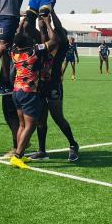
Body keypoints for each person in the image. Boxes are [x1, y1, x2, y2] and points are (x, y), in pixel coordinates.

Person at [8, 15, 58, 170]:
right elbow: (54, 41)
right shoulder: (34, 51)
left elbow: (18, 34)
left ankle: (19, 153)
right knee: (31, 125)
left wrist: (22, 22)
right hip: (29, 92)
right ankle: (17, 157)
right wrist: (48, 24)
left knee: (22, 124)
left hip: (16, 90)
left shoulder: (13, 51)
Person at [31, 12, 79, 162]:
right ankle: (42, 151)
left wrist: (50, 16)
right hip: (41, 86)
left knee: (58, 118)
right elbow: (41, 31)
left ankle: (73, 145)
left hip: (54, 86)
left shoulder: (63, 46)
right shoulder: (45, 44)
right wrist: (40, 20)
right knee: (41, 119)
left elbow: (56, 29)